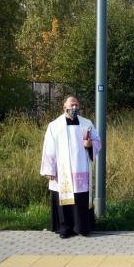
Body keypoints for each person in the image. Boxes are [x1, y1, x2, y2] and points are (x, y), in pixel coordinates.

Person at [40, 95, 101, 238]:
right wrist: (50, 169)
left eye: (76, 105)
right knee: (64, 199)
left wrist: (90, 144)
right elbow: (49, 147)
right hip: (62, 171)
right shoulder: (54, 125)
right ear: (64, 107)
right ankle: (65, 229)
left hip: (81, 169)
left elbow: (97, 141)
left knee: (80, 200)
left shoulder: (87, 123)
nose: (74, 107)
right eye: (71, 105)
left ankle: (82, 228)